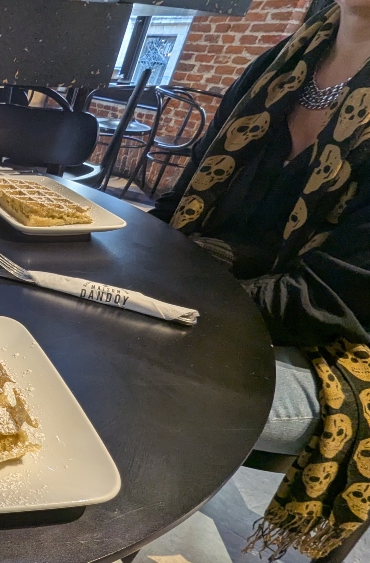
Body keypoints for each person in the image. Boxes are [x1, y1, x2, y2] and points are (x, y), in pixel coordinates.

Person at [150, 1, 369, 558]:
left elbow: (329, 299)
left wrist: (169, 298)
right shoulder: (280, 66)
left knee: (132, 373)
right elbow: (184, 200)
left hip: (336, 344)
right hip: (229, 290)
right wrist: (127, 250)